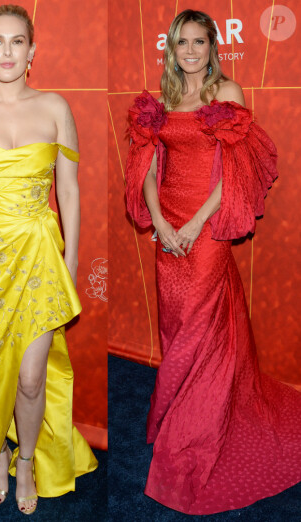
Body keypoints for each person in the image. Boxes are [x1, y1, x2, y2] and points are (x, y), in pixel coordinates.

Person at [125, 9, 301, 515]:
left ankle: (194, 433)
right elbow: (149, 165)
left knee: (201, 323)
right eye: (182, 43)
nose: (190, 52)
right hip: (168, 225)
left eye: (199, 43)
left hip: (207, 225)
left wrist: (196, 223)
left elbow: (235, 170)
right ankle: (183, 408)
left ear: (212, 47)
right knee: (179, 322)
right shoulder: (162, 99)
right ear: (172, 49)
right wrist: (159, 220)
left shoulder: (227, 95)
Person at [0, 4, 97, 515]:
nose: (6, 51)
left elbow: (69, 193)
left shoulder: (55, 107)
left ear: (32, 52)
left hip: (37, 258)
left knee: (31, 377)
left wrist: (70, 263)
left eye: (16, 42)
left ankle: (26, 461)